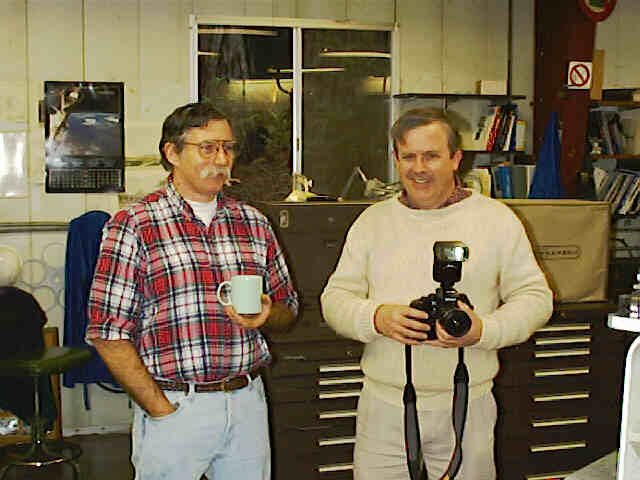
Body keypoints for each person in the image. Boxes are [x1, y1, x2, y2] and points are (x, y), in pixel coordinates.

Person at [320, 108, 553, 479]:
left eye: (431, 156)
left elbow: (536, 299)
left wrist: (483, 331)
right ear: (396, 159)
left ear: (456, 159)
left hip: (468, 402)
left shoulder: (496, 220)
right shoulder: (372, 222)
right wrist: (376, 318)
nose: (419, 168)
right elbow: (334, 300)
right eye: (408, 157)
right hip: (384, 406)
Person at [86, 102, 298, 480]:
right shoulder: (135, 225)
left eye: (228, 148)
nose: (221, 159)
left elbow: (288, 308)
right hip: (176, 406)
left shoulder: (253, 223)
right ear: (172, 153)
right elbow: (107, 332)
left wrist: (269, 313)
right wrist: (159, 409)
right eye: (207, 148)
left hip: (246, 403)